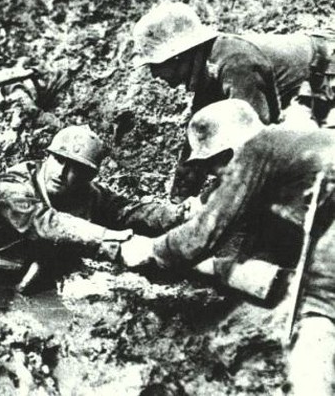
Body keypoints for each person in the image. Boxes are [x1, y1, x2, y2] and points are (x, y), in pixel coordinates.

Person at [121, 99, 335, 395]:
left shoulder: (256, 150)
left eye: (213, 165)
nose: (215, 175)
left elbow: (203, 236)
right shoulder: (290, 140)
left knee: (316, 321)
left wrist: (152, 250)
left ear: (227, 149)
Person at [0, 125, 190, 293]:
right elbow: (44, 223)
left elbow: (129, 211)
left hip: (12, 271)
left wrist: (178, 215)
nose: (63, 173)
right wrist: (117, 244)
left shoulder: (88, 194)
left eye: (76, 168)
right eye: (59, 160)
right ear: (47, 157)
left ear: (89, 177)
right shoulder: (12, 185)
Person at [131, 1, 335, 200]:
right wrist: (177, 203)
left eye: (155, 65)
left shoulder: (236, 64)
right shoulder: (208, 68)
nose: (154, 75)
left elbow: (253, 147)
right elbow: (196, 146)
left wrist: (212, 203)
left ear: (177, 57)